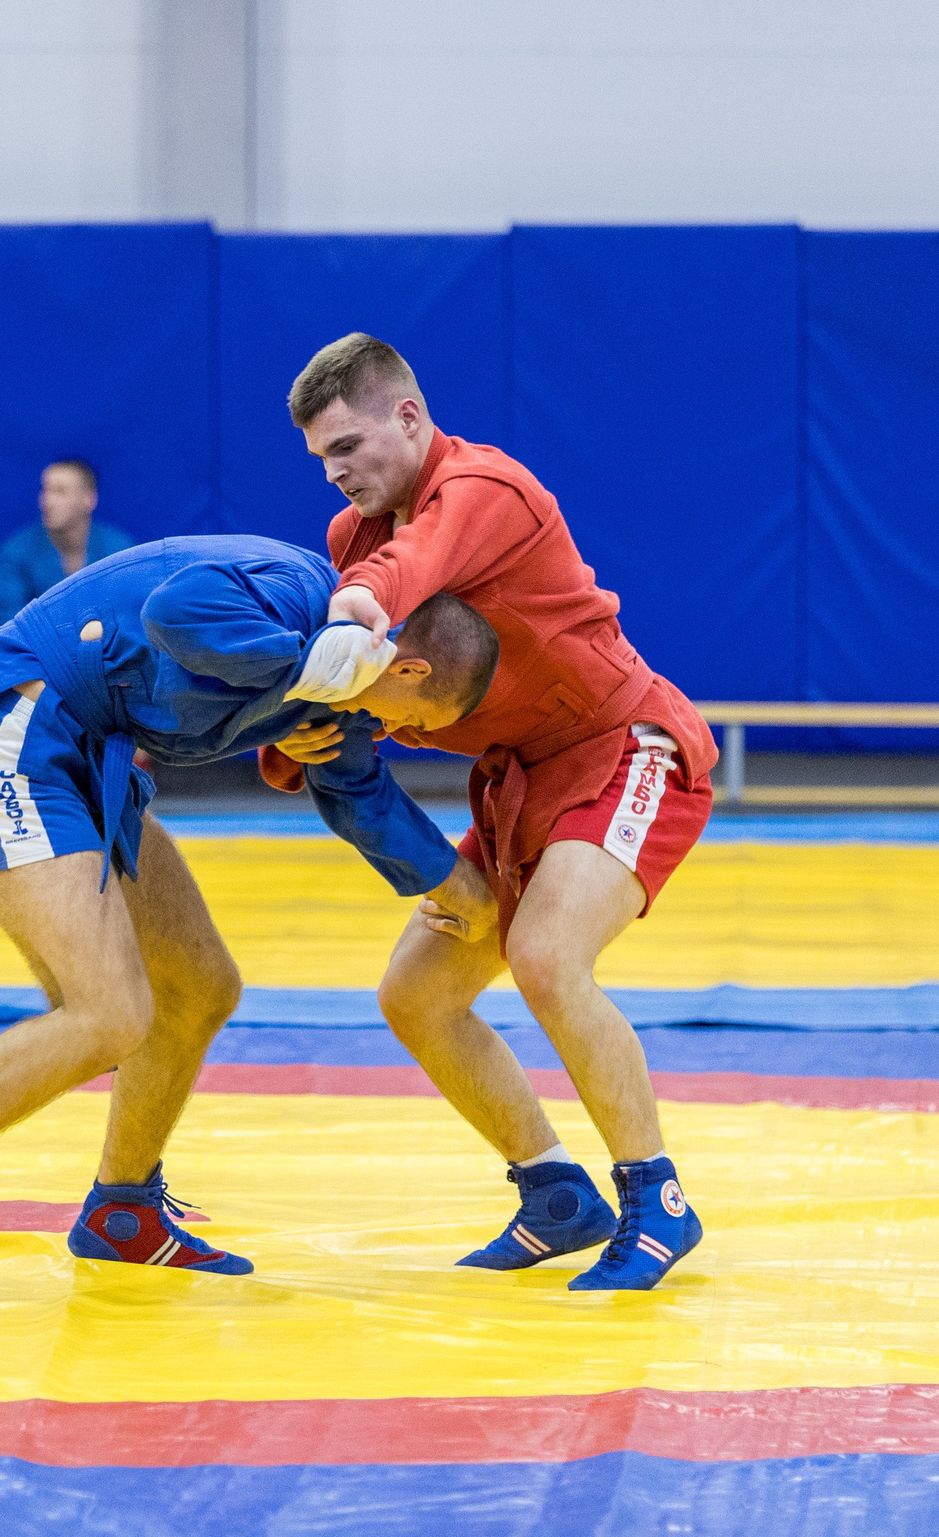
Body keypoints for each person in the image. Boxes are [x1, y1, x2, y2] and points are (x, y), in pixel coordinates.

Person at [0, 534, 502, 1312]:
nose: (400, 736)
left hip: (83, 765)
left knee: (199, 987)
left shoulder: (341, 692)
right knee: (107, 1012)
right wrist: (299, 670)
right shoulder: (299, 594)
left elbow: (359, 795)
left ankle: (123, 1207)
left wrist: (459, 885)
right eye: (414, 721)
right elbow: (175, 611)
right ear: (407, 669)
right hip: (10, 733)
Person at [271, 333, 721, 1293]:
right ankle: (553, 1189)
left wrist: (351, 613)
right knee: (416, 994)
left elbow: (411, 568)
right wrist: (290, 739)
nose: (336, 471)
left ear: (409, 414)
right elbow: (352, 692)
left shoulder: (487, 491)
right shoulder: (353, 540)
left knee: (548, 956)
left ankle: (657, 1199)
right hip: (519, 779)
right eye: (320, 457)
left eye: (349, 444)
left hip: (622, 746)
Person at [0, 458, 134, 626]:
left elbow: (131, 617)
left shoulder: (119, 549)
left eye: (60, 492)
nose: (48, 502)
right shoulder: (15, 552)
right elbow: (5, 623)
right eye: (45, 491)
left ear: (89, 499)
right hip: (38, 651)